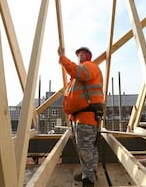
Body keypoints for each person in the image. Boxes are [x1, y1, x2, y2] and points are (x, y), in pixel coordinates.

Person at [57, 46, 104, 187]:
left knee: (86, 149)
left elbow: (78, 72)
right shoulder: (75, 78)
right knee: (86, 148)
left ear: (89, 56)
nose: (80, 56)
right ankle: (89, 173)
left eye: (83, 54)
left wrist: (62, 58)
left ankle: (88, 181)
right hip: (79, 117)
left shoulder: (90, 67)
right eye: (79, 54)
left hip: (86, 117)